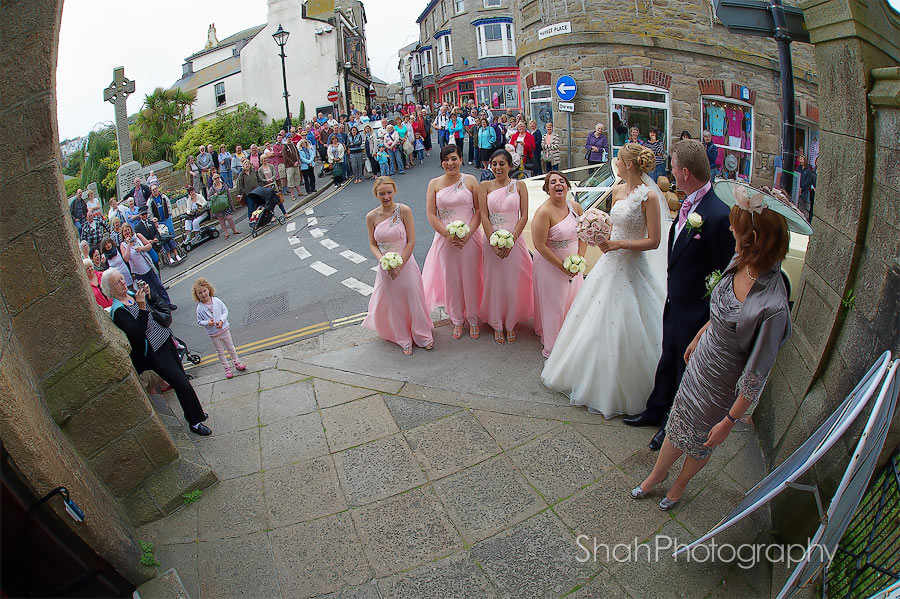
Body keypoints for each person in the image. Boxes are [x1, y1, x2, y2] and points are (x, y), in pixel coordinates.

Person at [632, 188, 791, 510]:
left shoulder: (773, 305)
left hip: (723, 384)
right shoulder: (739, 260)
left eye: (737, 226)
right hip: (701, 363)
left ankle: (679, 484)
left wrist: (730, 421)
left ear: (755, 236)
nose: (730, 229)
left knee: (700, 439)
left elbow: (756, 375)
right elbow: (718, 311)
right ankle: (656, 475)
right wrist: (697, 338)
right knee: (677, 420)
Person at [623, 140, 735, 450]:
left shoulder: (718, 213)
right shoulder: (688, 203)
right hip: (675, 301)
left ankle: (671, 425)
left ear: (684, 172)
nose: (670, 170)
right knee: (667, 357)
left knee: (686, 370)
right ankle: (654, 410)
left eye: (672, 166)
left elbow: (727, 273)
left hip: (697, 312)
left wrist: (711, 319)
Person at [542, 144, 668, 414]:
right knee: (593, 318)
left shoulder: (650, 198)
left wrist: (620, 244)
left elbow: (654, 240)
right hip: (609, 263)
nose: (617, 165)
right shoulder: (617, 190)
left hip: (633, 265)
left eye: (619, 161)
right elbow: (612, 223)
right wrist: (596, 233)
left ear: (630, 165)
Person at [102, 268, 211, 436]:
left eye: (122, 278)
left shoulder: (131, 293)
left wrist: (148, 296)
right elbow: (137, 334)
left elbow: (152, 310)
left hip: (166, 341)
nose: (123, 282)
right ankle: (194, 422)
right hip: (156, 353)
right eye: (118, 282)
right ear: (110, 289)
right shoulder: (118, 311)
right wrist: (142, 307)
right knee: (181, 384)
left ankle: (196, 413)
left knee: (182, 380)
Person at [362, 177, 434, 355]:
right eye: (382, 194)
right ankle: (403, 338)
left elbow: (411, 241)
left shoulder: (404, 211)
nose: (386, 197)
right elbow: (372, 243)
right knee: (395, 303)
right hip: (386, 267)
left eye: (389, 192)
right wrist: (383, 261)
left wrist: (400, 263)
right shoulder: (371, 217)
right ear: (376, 194)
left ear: (394, 191)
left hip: (406, 263)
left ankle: (423, 335)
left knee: (414, 298)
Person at [422, 144, 484, 341]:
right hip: (445, 239)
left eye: (454, 158)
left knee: (471, 278)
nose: (450, 163)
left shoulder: (471, 180)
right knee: (452, 281)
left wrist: (468, 234)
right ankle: (456, 320)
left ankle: (473, 318)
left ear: (460, 159)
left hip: (470, 238)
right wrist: (448, 235)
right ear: (441, 162)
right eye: (446, 159)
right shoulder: (434, 183)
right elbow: (431, 215)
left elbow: (479, 211)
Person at [478, 149, 534, 344]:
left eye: (502, 164)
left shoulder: (519, 186)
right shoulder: (484, 186)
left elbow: (524, 215)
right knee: (494, 284)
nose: (497, 168)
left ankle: (510, 322)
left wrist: (512, 239)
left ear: (510, 165)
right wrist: (493, 240)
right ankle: (495, 323)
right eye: (494, 164)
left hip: (515, 240)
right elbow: (484, 215)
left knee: (512, 284)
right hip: (491, 240)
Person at [530, 171, 585, 358]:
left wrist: (579, 260)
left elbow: (583, 235)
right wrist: (562, 267)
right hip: (549, 264)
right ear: (547, 189)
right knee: (554, 305)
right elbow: (539, 245)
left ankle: (570, 338)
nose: (558, 184)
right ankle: (554, 346)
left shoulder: (576, 207)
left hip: (573, 266)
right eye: (552, 182)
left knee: (572, 302)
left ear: (568, 186)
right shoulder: (544, 212)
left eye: (562, 181)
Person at [193, 278, 246, 379]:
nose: (203, 294)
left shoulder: (217, 301)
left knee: (231, 347)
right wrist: (208, 323)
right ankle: (227, 368)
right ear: (197, 295)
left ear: (209, 289)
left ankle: (237, 362)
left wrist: (221, 320)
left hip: (224, 329)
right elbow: (199, 321)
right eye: (200, 293)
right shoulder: (199, 308)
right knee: (220, 351)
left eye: (204, 291)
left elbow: (225, 311)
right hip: (213, 334)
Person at [120, 223, 174, 309]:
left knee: (158, 285)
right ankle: (157, 308)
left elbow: (149, 245)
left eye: (128, 230)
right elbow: (126, 258)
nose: (127, 232)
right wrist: (129, 245)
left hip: (148, 267)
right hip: (138, 272)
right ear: (122, 234)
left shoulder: (138, 236)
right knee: (147, 291)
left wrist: (142, 248)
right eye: (125, 231)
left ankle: (167, 303)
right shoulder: (123, 245)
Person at [149, 186, 181, 263]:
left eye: (155, 189)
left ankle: (177, 254)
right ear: (151, 191)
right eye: (153, 190)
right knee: (164, 241)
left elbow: (169, 205)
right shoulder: (150, 201)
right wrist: (154, 221)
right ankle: (170, 258)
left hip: (167, 218)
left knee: (171, 235)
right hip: (159, 220)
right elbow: (149, 212)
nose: (154, 191)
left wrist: (169, 214)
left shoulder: (163, 197)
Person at [208, 173, 240, 239]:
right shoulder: (212, 188)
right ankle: (226, 233)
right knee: (221, 220)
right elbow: (208, 197)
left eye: (218, 177)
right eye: (215, 178)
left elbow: (228, 194)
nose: (217, 179)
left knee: (229, 217)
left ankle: (234, 229)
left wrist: (231, 204)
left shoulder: (224, 185)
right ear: (213, 180)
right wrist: (214, 195)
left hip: (226, 204)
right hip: (218, 206)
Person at [282, 135, 304, 200]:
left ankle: (299, 192)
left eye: (290, 137)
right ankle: (292, 195)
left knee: (297, 178)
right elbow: (285, 157)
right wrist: (292, 163)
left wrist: (297, 161)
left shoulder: (293, 145)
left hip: (296, 164)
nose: (289, 138)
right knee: (290, 179)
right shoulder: (285, 146)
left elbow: (297, 153)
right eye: (288, 137)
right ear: (286, 138)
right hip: (289, 166)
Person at [797, 153, 817, 219]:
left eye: (801, 159)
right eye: (800, 159)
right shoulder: (798, 168)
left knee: (802, 205)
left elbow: (807, 182)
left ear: (804, 160)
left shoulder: (808, 170)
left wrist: (801, 188)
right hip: (798, 189)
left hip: (804, 191)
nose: (800, 161)